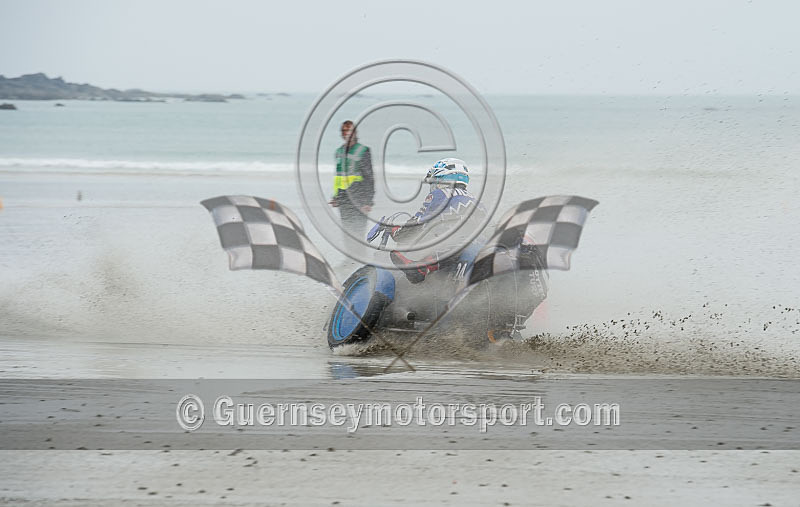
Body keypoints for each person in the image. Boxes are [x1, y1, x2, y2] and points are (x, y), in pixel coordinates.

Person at [386, 158, 485, 283]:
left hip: (457, 248)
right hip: (479, 245)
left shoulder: (441, 194)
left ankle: (422, 268)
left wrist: (394, 230)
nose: (433, 185)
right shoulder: (477, 201)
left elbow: (416, 225)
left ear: (442, 178)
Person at [329, 121, 374, 240]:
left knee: (358, 235)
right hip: (343, 199)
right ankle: (349, 259)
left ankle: (359, 257)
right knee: (347, 234)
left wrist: (368, 201)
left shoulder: (363, 151)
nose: (347, 133)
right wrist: (335, 197)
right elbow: (338, 177)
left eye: (349, 130)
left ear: (355, 133)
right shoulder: (339, 152)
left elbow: (369, 177)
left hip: (358, 198)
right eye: (344, 131)